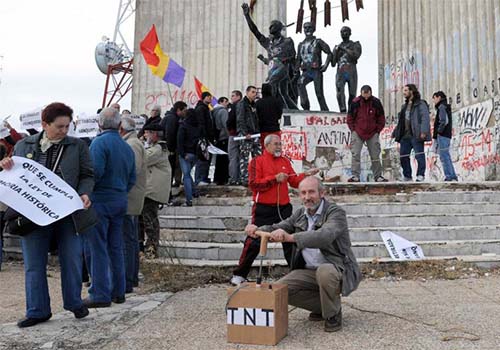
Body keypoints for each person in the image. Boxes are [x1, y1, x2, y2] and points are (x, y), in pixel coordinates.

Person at [0, 102, 96, 327]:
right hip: (33, 214)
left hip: (67, 214)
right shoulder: (24, 145)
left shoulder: (77, 146)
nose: (64, 131)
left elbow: (87, 174)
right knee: (34, 263)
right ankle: (37, 310)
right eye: (60, 126)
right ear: (45, 124)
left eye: (67, 126)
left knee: (72, 259)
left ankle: (74, 302)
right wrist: (5, 164)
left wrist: (84, 193)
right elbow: (14, 172)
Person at [246, 176, 361, 332]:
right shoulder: (300, 213)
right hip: (309, 271)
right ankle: (325, 307)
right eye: (303, 193)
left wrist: (291, 237)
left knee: (325, 272)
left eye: (311, 192)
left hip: (337, 268)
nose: (307, 197)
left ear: (322, 193)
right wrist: (257, 230)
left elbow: (324, 236)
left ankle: (333, 314)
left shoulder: (336, 212)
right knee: (280, 289)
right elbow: (279, 227)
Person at [231, 134, 319, 285]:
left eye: (280, 144)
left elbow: (294, 181)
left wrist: (306, 175)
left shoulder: (285, 161)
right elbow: (253, 184)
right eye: (276, 144)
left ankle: (298, 275)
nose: (279, 147)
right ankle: (239, 274)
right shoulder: (257, 162)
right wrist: (274, 179)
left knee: (291, 242)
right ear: (267, 146)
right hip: (263, 209)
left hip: (284, 209)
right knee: (254, 241)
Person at [84, 107, 136, 308]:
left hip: (101, 200)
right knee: (116, 246)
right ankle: (118, 291)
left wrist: (87, 193)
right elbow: (132, 177)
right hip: (120, 199)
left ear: (99, 124)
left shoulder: (99, 143)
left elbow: (95, 172)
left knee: (96, 247)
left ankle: (99, 293)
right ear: (119, 125)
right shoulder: (126, 147)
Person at [242, 3, 298, 109]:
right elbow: (255, 31)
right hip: (273, 70)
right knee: (283, 94)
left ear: (278, 28)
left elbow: (293, 56)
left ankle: (277, 109)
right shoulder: (268, 43)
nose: (269, 28)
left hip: (282, 69)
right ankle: (294, 111)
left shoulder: (287, 41)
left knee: (270, 86)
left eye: (272, 26)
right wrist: (247, 16)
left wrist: (293, 70)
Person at [119, 116, 146, 292]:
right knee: (130, 239)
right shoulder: (132, 142)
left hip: (130, 197)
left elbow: (132, 169)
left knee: (128, 240)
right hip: (132, 196)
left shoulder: (132, 144)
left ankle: (129, 277)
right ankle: (131, 276)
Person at [140, 123, 171, 258]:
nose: (144, 135)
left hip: (152, 190)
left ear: (154, 134)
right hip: (150, 189)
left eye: (147, 133)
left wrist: (140, 146)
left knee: (149, 220)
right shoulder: (155, 148)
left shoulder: (157, 149)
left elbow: (143, 159)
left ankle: (152, 247)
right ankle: (147, 246)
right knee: (145, 219)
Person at [347, 85, 387, 182]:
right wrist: (353, 130)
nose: (365, 97)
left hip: (372, 132)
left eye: (367, 95)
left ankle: (378, 176)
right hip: (358, 131)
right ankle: (355, 176)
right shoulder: (355, 102)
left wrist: (377, 131)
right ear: (361, 93)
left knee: (375, 155)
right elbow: (350, 117)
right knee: (355, 154)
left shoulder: (376, 102)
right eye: (364, 95)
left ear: (370, 93)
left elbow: (381, 118)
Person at [392, 84, 431, 182]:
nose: (404, 93)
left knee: (419, 155)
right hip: (405, 136)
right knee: (403, 156)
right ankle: (407, 176)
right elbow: (401, 121)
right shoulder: (404, 106)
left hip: (416, 134)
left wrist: (423, 131)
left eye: (405, 90)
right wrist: (395, 132)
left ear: (411, 91)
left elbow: (425, 118)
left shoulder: (420, 104)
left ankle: (420, 175)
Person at [296, 21, 333, 111]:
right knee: (300, 83)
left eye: (309, 27)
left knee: (319, 93)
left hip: (316, 70)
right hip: (306, 71)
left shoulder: (318, 42)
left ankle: (324, 110)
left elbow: (329, 53)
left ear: (313, 29)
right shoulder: (301, 45)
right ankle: (306, 108)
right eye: (305, 28)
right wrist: (295, 70)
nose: (307, 29)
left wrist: (326, 65)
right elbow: (298, 60)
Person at [332, 26, 362, 113]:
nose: (344, 33)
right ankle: (342, 109)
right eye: (342, 32)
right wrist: (335, 52)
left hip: (351, 71)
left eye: (346, 31)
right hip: (340, 72)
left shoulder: (355, 44)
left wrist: (344, 49)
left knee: (352, 93)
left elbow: (355, 55)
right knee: (339, 91)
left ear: (350, 33)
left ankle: (351, 110)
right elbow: (333, 63)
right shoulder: (338, 47)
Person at [237, 85, 261, 186]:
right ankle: (245, 179)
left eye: (256, 92)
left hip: (255, 134)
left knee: (258, 157)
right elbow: (240, 119)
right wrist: (245, 132)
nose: (255, 94)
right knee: (244, 158)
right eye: (252, 92)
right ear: (247, 92)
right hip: (246, 135)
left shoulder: (254, 105)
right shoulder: (242, 104)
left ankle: (257, 177)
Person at [432, 91, 458, 181]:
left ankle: (450, 176)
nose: (434, 101)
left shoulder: (442, 107)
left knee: (444, 156)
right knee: (445, 155)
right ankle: (451, 175)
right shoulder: (444, 106)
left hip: (443, 135)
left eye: (434, 99)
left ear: (438, 97)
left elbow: (444, 121)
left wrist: (439, 131)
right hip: (445, 135)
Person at [177, 109, 201, 206]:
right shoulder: (198, 126)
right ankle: (194, 192)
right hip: (195, 154)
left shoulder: (183, 126)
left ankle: (189, 200)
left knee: (186, 176)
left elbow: (180, 141)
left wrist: (182, 154)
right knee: (188, 174)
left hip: (185, 154)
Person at [161, 101, 187, 191]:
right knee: (171, 168)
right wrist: (171, 149)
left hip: (170, 148)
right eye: (184, 110)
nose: (185, 113)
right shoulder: (172, 119)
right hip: (169, 149)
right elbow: (170, 134)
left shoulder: (174, 118)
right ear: (179, 110)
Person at [195, 92, 215, 185]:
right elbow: (201, 124)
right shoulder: (201, 109)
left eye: (210, 97)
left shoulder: (207, 109)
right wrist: (204, 137)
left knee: (207, 158)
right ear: (203, 98)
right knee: (203, 158)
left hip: (208, 138)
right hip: (203, 138)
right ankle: (200, 179)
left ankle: (204, 177)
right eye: (208, 97)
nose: (210, 99)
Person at [256, 83, 283, 150]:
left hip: (263, 130)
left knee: (265, 150)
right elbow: (279, 115)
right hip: (275, 129)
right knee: (276, 150)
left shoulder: (258, 103)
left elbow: (256, 117)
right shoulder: (277, 101)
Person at [212, 97, 230, 185]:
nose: (227, 103)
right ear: (221, 102)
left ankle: (217, 178)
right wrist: (229, 135)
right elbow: (226, 124)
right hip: (223, 137)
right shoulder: (223, 111)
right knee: (224, 159)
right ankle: (223, 178)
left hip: (217, 137)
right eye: (226, 102)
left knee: (219, 159)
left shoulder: (213, 111)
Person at [227, 90, 243, 185]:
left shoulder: (234, 106)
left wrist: (229, 128)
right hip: (243, 135)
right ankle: (241, 177)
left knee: (233, 157)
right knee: (241, 157)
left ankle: (233, 178)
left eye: (233, 96)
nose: (231, 98)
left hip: (234, 134)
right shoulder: (244, 106)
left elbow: (231, 120)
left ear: (238, 96)